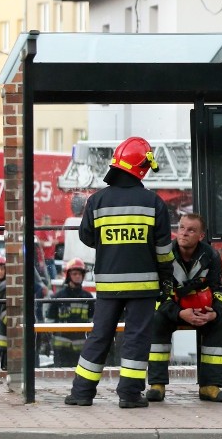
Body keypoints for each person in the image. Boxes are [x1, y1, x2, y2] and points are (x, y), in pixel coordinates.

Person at [65, 136, 174, 409]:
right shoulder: (153, 203)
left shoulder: (97, 200)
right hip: (144, 286)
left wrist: (112, 246)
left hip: (108, 286)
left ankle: (81, 392)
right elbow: (163, 250)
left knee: (100, 335)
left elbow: (87, 237)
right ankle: (130, 394)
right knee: (136, 338)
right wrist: (167, 278)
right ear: (142, 167)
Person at [145, 212, 222, 403]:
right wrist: (179, 313)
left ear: (201, 236)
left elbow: (219, 289)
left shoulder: (211, 256)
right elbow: (159, 294)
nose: (184, 233)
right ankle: (157, 385)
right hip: (171, 310)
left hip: (202, 311)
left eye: (191, 230)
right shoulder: (164, 254)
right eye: (181, 228)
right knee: (156, 320)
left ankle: (210, 386)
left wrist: (214, 313)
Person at [47, 258, 95, 368]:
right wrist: (47, 342)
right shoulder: (58, 297)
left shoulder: (88, 297)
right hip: (61, 347)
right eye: (75, 274)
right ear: (68, 275)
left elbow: (93, 321)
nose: (78, 276)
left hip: (81, 348)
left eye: (80, 274)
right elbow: (49, 322)